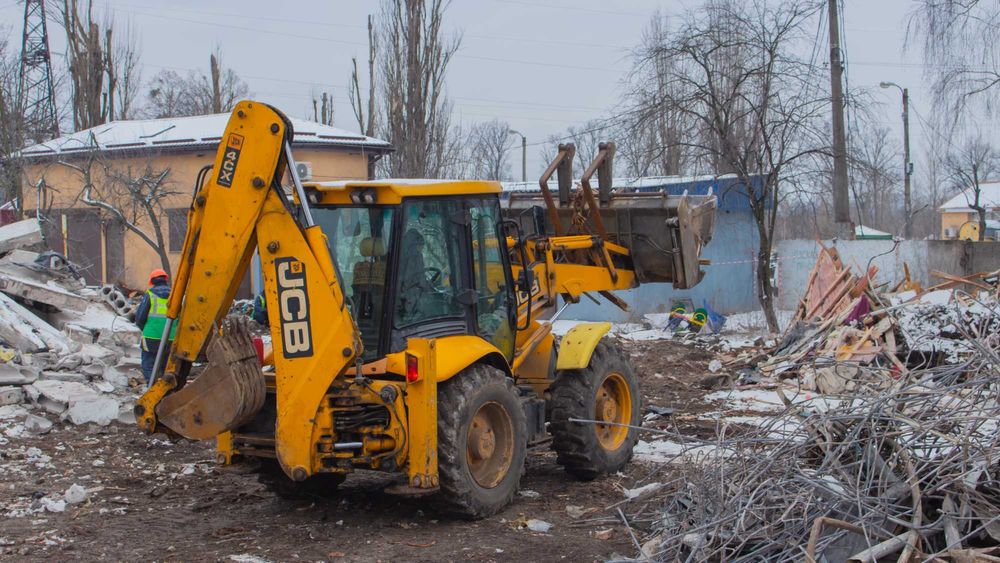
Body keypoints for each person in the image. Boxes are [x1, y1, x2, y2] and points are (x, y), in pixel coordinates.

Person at [134, 268, 177, 383]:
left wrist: (146, 328)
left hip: (151, 336)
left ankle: (152, 387)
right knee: (165, 366)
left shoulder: (150, 294)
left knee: (148, 365)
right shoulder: (175, 295)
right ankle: (164, 388)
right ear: (165, 280)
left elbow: (140, 318)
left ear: (152, 281)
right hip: (170, 337)